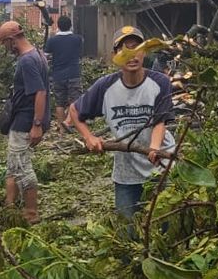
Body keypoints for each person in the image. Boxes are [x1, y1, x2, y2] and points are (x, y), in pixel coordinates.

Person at [70, 26, 176, 220]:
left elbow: (161, 121)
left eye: (137, 49)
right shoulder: (106, 86)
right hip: (126, 170)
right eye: (124, 50)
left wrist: (153, 148)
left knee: (166, 225)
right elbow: (74, 111)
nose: (132, 56)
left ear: (144, 52)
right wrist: (89, 137)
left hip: (160, 164)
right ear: (115, 55)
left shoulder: (160, 82)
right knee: (127, 230)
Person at [0, 20, 49, 224]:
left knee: (21, 167)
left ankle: (31, 214)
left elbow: (40, 91)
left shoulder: (27, 61)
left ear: (11, 40)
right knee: (12, 164)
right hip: (23, 118)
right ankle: (9, 206)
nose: (6, 49)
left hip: (26, 119)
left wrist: (37, 124)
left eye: (5, 44)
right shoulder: (38, 54)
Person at [44, 15, 83, 128]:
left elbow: (45, 57)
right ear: (70, 26)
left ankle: (62, 129)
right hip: (74, 74)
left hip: (58, 75)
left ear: (58, 26)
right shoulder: (78, 39)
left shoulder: (52, 40)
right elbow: (80, 53)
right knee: (74, 102)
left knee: (59, 103)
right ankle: (73, 125)